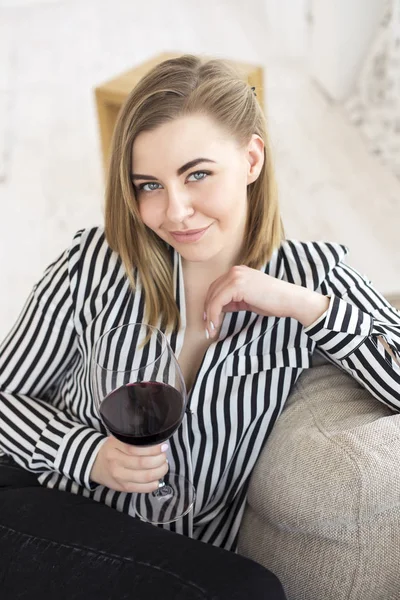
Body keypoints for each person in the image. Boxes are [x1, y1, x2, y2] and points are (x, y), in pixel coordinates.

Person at [0, 53, 399, 598]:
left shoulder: (311, 277)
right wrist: (87, 455)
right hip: (44, 511)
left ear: (252, 158)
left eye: (198, 175)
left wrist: (304, 307)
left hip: (176, 556)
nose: (176, 211)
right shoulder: (95, 262)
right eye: (149, 186)